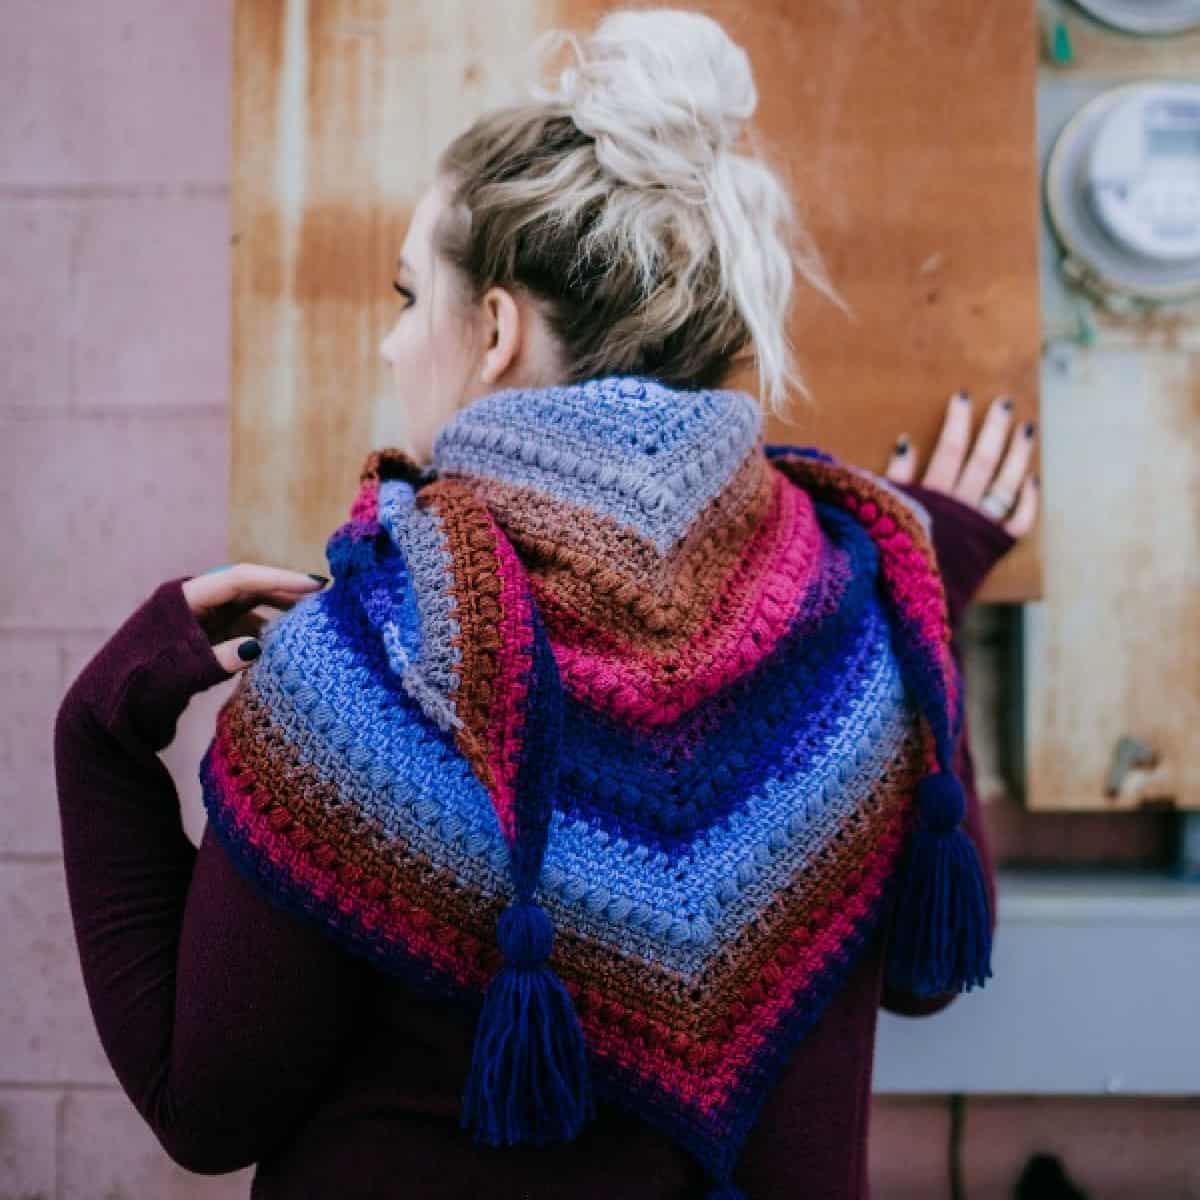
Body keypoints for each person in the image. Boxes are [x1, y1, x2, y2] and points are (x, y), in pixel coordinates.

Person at [52, 8, 1036, 1198]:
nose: (391, 344)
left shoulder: (356, 678)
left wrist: (102, 732)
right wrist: (930, 573)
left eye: (412, 296)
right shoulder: (875, 609)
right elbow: (926, 973)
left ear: (500, 331)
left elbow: (204, 1108)